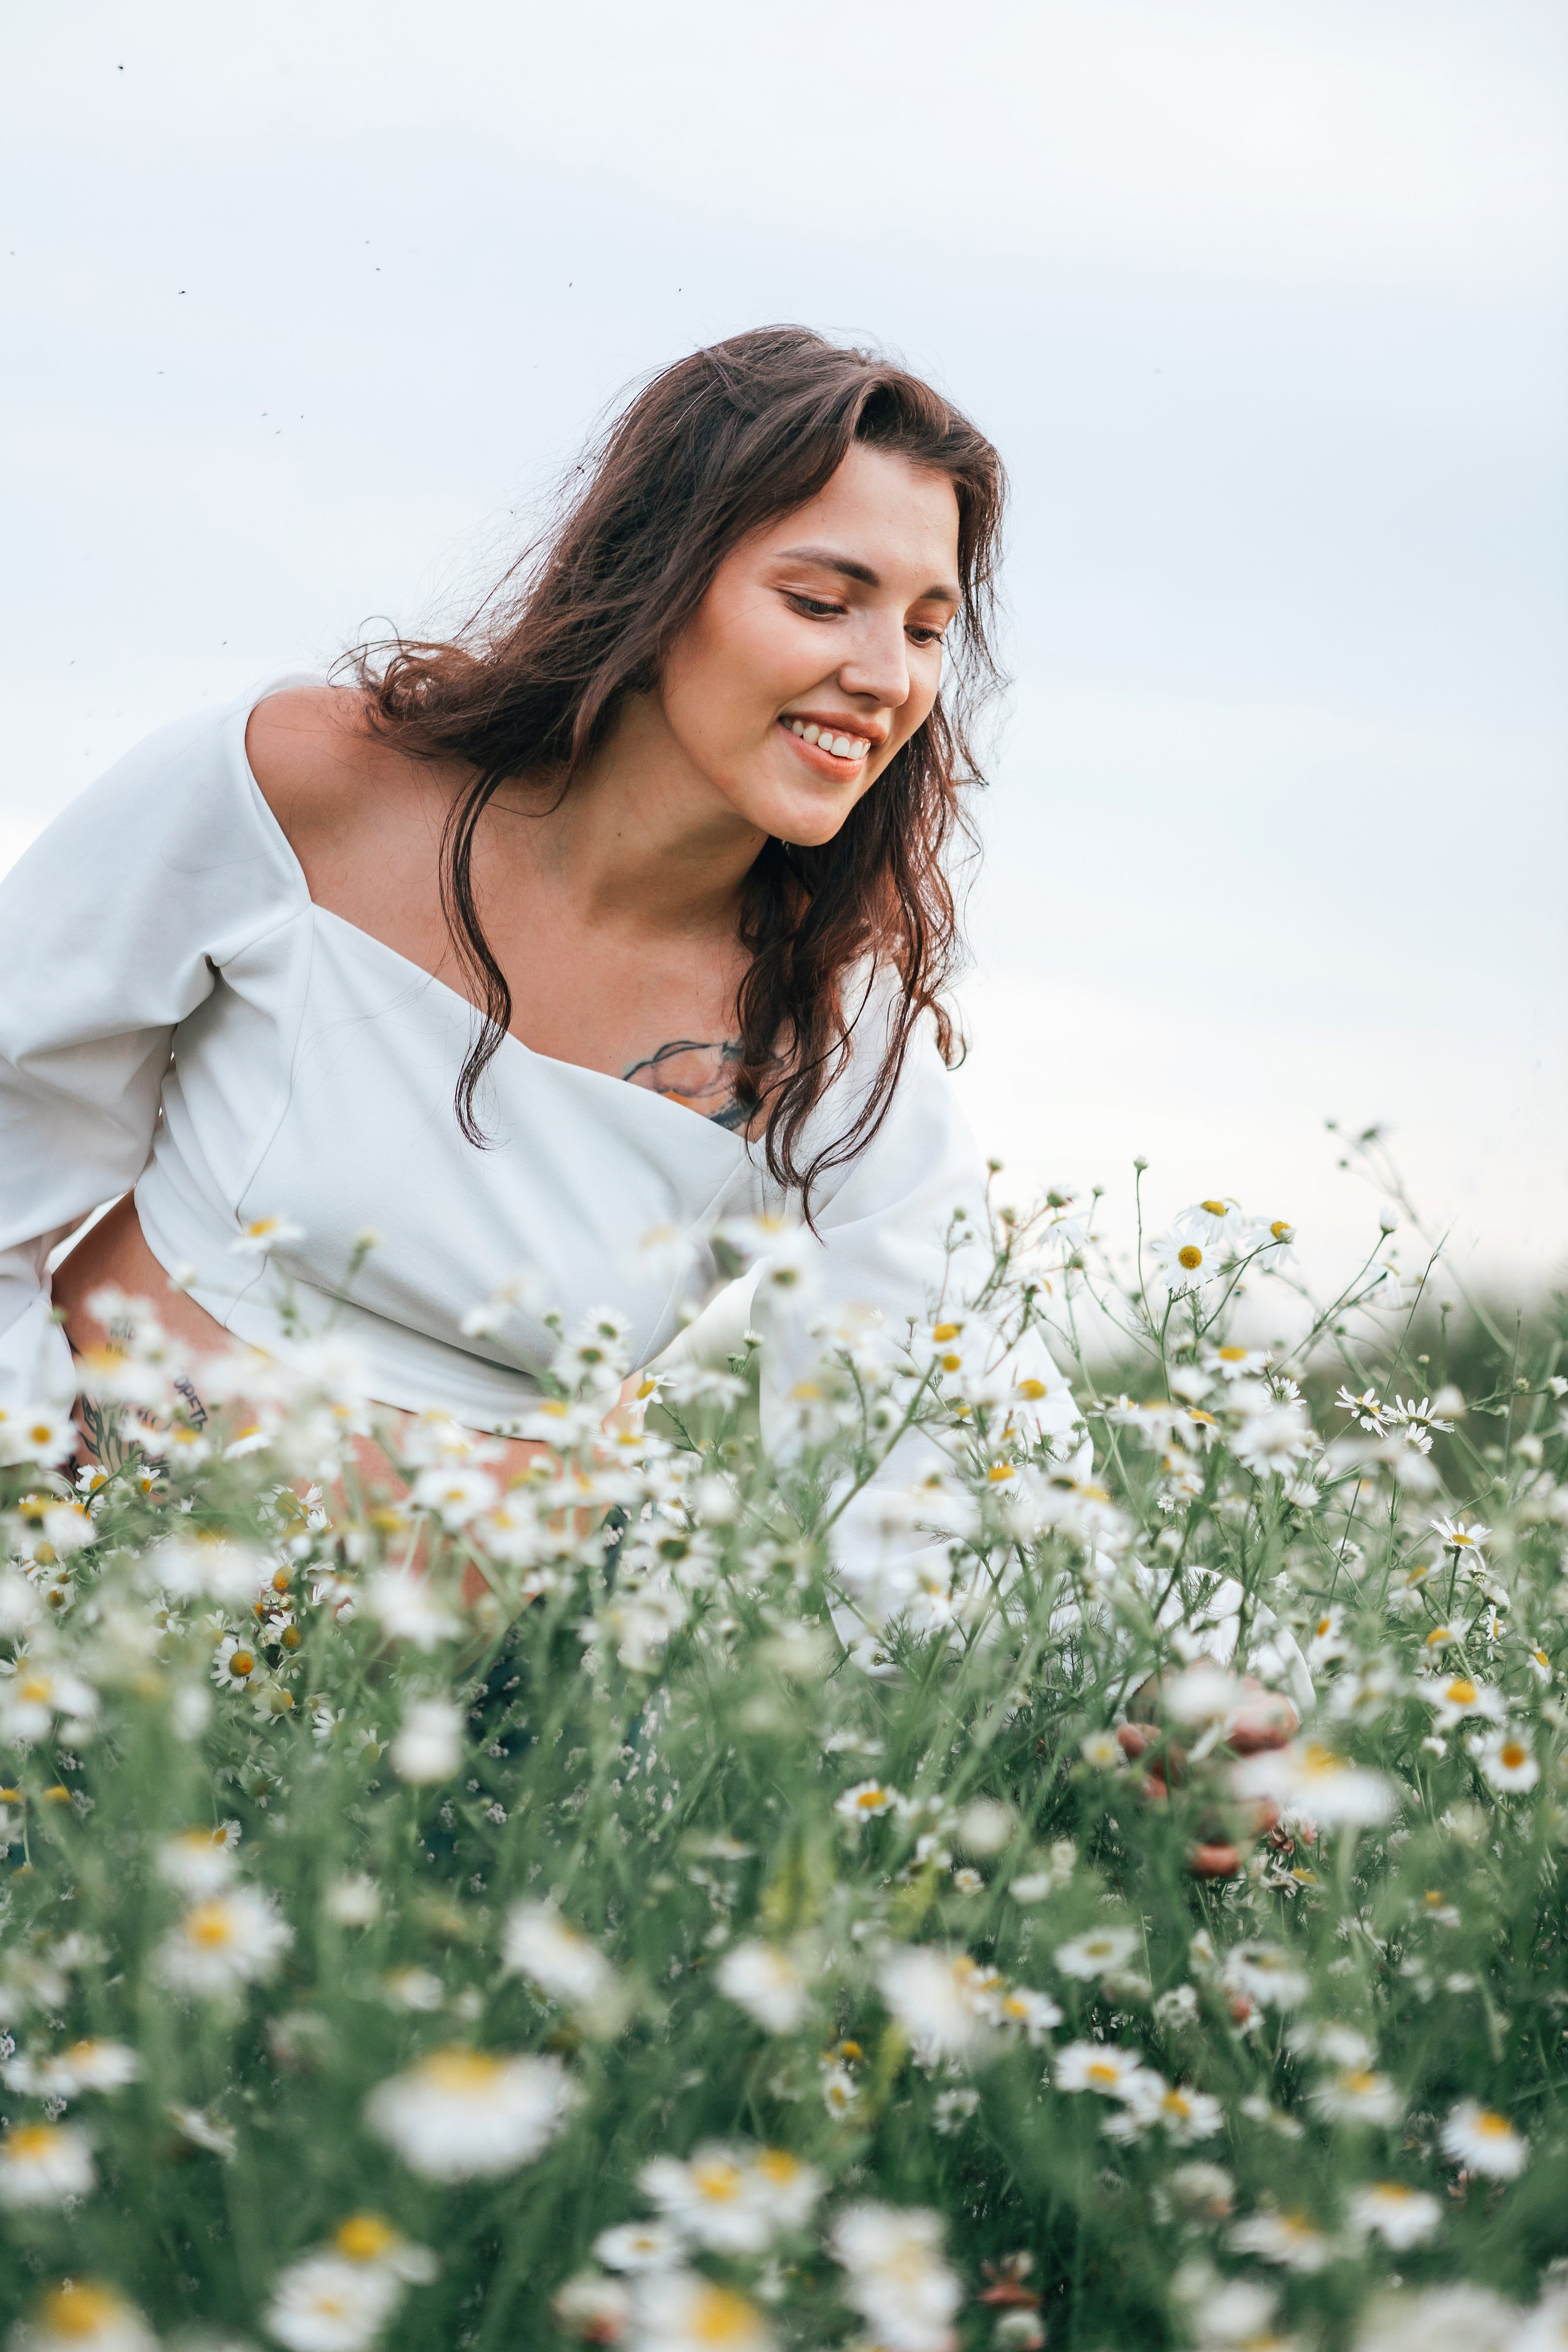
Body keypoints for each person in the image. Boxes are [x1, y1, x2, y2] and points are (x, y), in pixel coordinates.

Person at [0, 326, 1072, 1496]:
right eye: (822, 603)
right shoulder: (299, 788)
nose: (890, 677)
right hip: (75, 1581)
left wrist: (1190, 1673)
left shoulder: (830, 1025)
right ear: (659, 579)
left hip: (480, 1674)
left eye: (927, 630)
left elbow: (941, 1421)